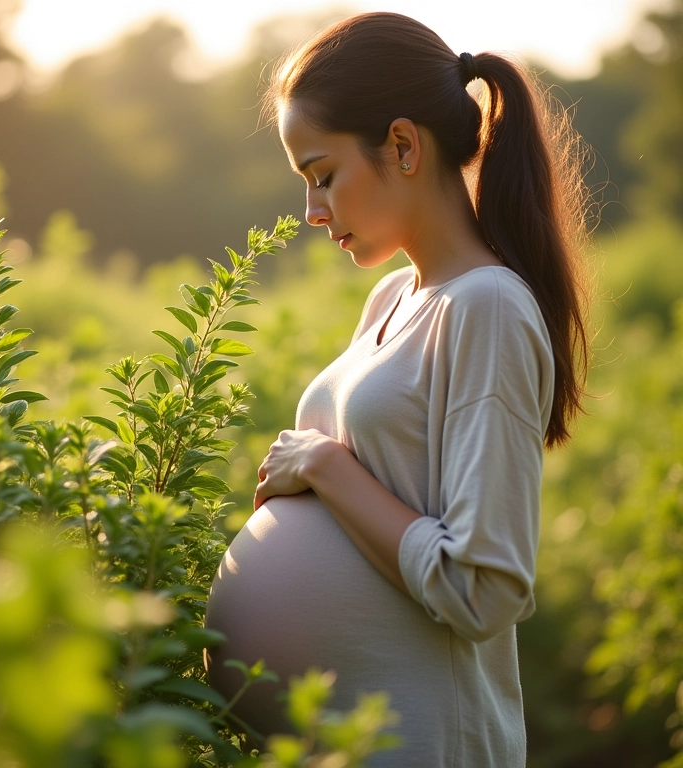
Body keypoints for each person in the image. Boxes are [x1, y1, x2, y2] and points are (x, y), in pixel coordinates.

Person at [205, 11, 590, 767]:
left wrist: (324, 468)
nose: (312, 212)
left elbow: (484, 589)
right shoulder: (393, 298)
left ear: (404, 146)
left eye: (323, 176)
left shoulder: (488, 307)